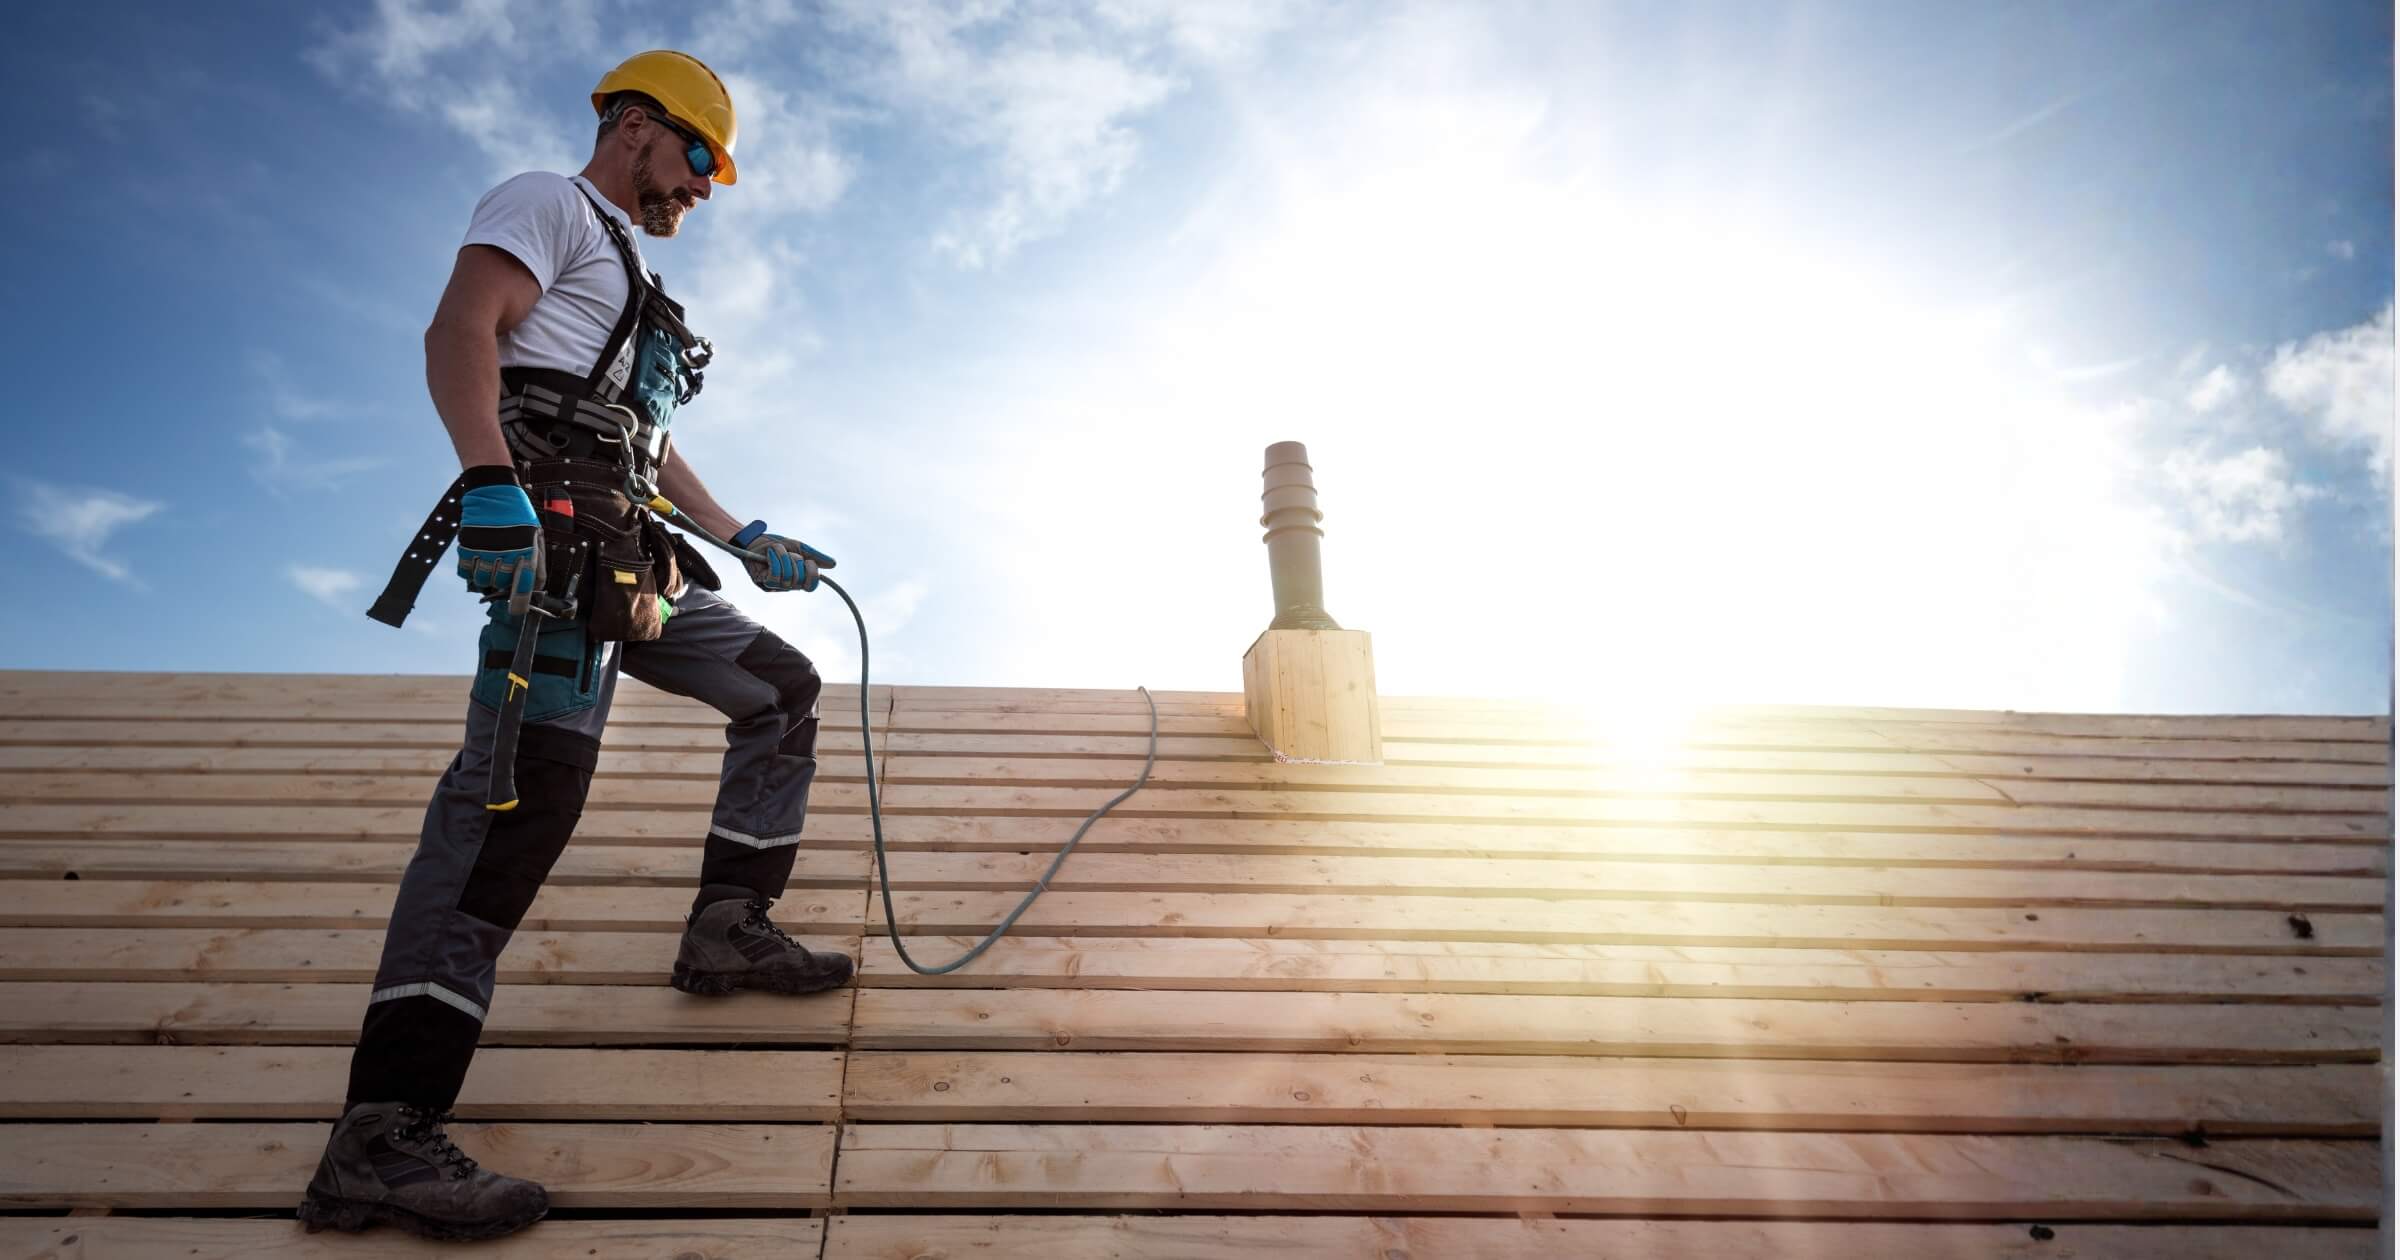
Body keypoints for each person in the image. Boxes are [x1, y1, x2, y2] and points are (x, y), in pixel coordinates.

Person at [297, 50, 854, 1242]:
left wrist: (739, 533)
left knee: (781, 688)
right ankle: (381, 1134)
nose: (704, 186)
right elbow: (462, 331)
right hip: (550, 556)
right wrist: (487, 481)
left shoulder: (629, 271)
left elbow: (639, 447)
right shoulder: (548, 202)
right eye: (699, 156)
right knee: (515, 805)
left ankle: (725, 927)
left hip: (627, 559)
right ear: (637, 126)